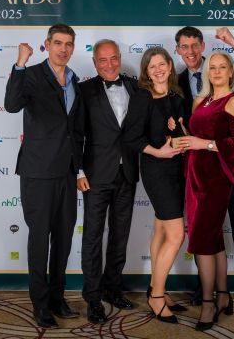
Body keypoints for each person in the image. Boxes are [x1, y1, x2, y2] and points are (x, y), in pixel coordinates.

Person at [175, 26, 234, 310]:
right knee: (205, 230)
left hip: (231, 165)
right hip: (202, 171)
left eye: (194, 45)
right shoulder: (177, 81)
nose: (190, 51)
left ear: (202, 46)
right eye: (184, 46)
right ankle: (205, 288)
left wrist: (233, 43)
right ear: (178, 50)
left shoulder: (220, 67)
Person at [4, 24, 83, 329]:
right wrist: (19, 65)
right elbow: (11, 105)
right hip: (37, 172)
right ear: (47, 45)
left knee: (63, 239)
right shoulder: (32, 74)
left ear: (73, 47)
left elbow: (76, 131)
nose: (63, 49)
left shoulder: (75, 80)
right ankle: (40, 304)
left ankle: (57, 298)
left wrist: (79, 169)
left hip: (67, 173)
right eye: (58, 43)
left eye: (68, 44)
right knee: (40, 240)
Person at [177, 51, 234, 331]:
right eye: (212, 67)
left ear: (231, 72)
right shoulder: (201, 101)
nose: (217, 71)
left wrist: (203, 144)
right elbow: (197, 135)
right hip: (195, 176)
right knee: (214, 239)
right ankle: (223, 296)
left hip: (216, 179)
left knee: (203, 241)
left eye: (222, 67)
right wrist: (184, 136)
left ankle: (208, 303)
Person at [123, 47, 187, 324]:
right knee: (176, 234)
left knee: (162, 229)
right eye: (152, 67)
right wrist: (158, 152)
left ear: (170, 66)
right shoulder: (143, 97)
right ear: (146, 72)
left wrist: (176, 128)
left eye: (162, 64)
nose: (158, 70)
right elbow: (131, 137)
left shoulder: (176, 95)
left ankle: (154, 287)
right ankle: (157, 297)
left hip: (177, 169)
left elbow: (177, 132)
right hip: (157, 171)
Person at [77, 39, 139, 324]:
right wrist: (78, 171)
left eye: (114, 58)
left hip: (128, 173)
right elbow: (76, 134)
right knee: (92, 236)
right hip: (95, 175)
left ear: (120, 58)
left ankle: (113, 288)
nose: (110, 64)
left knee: (120, 234)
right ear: (95, 63)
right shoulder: (83, 91)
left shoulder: (135, 87)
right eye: (103, 60)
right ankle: (92, 297)